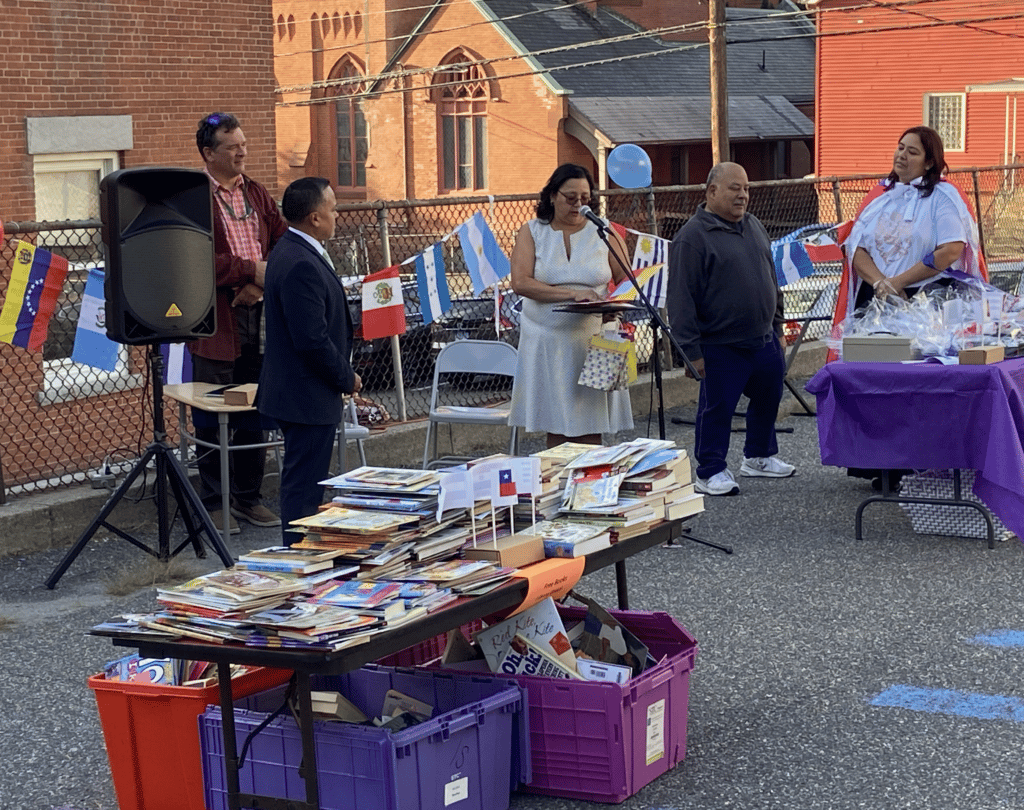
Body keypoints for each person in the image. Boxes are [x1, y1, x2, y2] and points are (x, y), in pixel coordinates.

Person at [831, 125, 986, 490]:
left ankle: (922, 466)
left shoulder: (944, 198)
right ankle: (880, 466)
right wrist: (881, 282)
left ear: (930, 160)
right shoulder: (882, 197)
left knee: (917, 388)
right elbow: (856, 247)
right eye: (899, 148)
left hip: (925, 302)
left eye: (912, 151)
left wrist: (898, 282)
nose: (901, 155)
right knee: (877, 385)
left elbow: (951, 249)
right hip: (879, 300)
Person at [667, 162, 795, 497]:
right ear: (711, 191)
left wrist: (778, 325)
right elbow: (681, 300)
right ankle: (710, 471)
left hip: (763, 338)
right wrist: (690, 352)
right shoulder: (691, 239)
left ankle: (758, 456)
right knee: (718, 408)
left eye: (746, 188)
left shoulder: (753, 225)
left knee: (770, 397)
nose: (742, 195)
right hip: (720, 344)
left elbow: (771, 278)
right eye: (734, 188)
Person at [190, 112, 288, 533]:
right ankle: (215, 502)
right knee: (212, 410)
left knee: (254, 407)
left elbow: (286, 243)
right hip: (215, 323)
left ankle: (248, 497)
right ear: (209, 153)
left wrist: (261, 287)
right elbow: (196, 259)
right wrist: (251, 271)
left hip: (258, 316)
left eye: (243, 144)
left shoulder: (258, 193)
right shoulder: (194, 197)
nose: (242, 151)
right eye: (232, 147)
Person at [257, 177, 361, 544]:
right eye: (332, 209)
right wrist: (346, 377)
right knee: (303, 489)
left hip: (297, 392)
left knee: (303, 483)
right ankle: (299, 558)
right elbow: (311, 339)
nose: (337, 215)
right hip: (305, 395)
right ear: (315, 217)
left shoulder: (291, 250)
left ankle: (301, 553)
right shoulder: (300, 261)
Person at [508, 163, 633, 449]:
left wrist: (616, 304)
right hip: (546, 343)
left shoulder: (605, 231)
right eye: (570, 197)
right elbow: (521, 282)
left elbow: (627, 282)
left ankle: (590, 487)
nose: (578, 205)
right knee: (556, 426)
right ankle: (560, 486)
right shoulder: (531, 231)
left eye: (585, 198)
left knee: (592, 425)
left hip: (595, 342)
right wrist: (571, 294)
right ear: (552, 195)